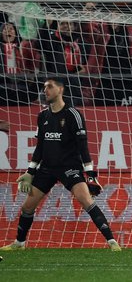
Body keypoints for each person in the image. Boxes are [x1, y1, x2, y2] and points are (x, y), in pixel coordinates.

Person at [0, 77, 121, 251]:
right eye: (43, 87)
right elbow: (40, 147)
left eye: (49, 86)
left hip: (69, 167)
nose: (45, 90)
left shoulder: (73, 114)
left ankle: (112, 241)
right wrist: (29, 172)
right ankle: (19, 243)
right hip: (47, 168)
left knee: (86, 200)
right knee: (27, 206)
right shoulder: (42, 115)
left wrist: (91, 175)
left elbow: (83, 146)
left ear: (60, 89)